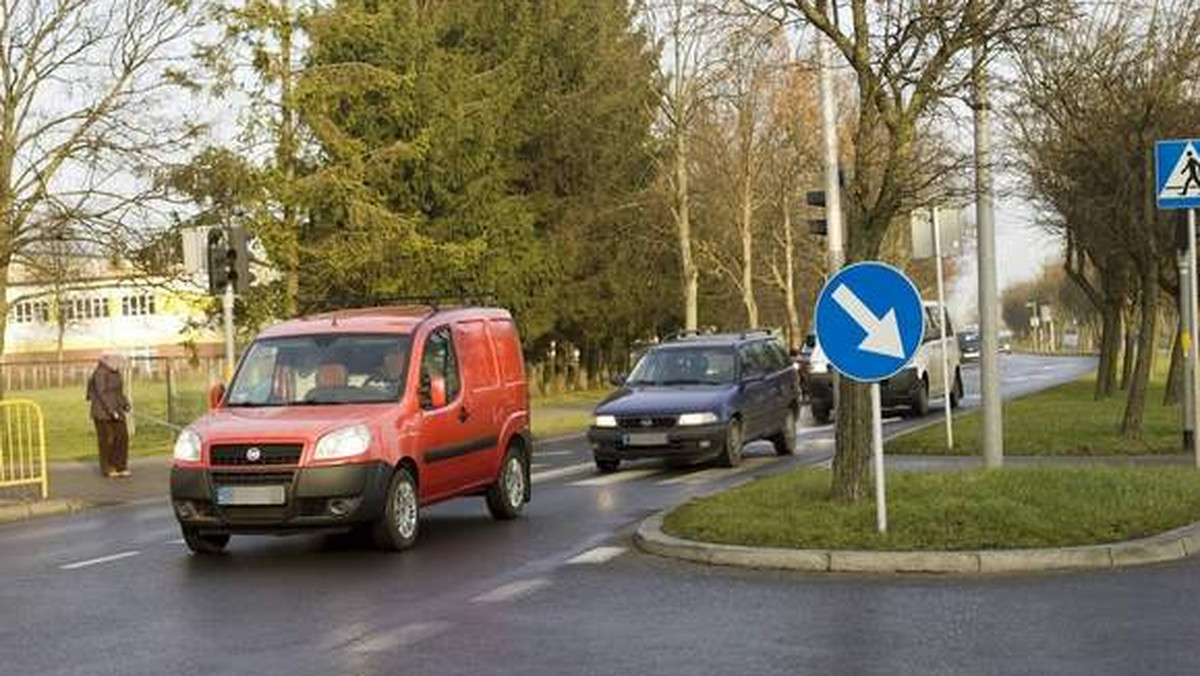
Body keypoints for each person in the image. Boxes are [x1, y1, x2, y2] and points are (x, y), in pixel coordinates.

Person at [86, 352, 131, 478]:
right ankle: (108, 468)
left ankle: (121, 466)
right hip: (102, 413)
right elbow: (102, 394)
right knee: (107, 440)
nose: (120, 366)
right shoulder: (100, 372)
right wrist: (112, 411)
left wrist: (125, 403)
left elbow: (118, 392)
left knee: (122, 437)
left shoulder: (116, 372)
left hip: (117, 410)